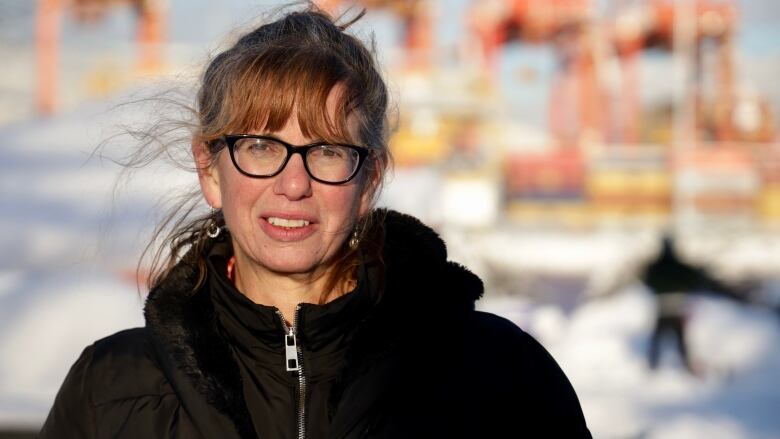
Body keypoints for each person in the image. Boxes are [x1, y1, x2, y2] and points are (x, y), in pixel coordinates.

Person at [40, 5, 590, 438]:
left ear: (369, 178)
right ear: (210, 168)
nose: (294, 184)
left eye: (326, 151)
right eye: (259, 146)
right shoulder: (111, 389)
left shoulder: (500, 377)